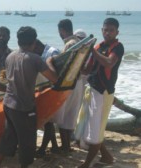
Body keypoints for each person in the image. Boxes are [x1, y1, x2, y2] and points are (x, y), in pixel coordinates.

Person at [0, 26, 58, 168]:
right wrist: (49, 62)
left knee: (8, 136)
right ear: (34, 41)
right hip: (24, 107)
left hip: (8, 104)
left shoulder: (10, 57)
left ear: (18, 41)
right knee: (27, 142)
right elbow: (54, 79)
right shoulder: (35, 59)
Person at [75, 18, 124, 168]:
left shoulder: (118, 47)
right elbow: (88, 69)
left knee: (95, 130)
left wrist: (92, 51)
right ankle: (107, 157)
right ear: (102, 30)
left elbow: (109, 62)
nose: (108, 33)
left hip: (103, 93)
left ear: (117, 32)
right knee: (87, 127)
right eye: (105, 30)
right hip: (91, 89)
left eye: (111, 30)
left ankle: (87, 164)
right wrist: (75, 61)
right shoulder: (98, 46)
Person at [54, 19, 83, 153]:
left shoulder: (69, 44)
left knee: (62, 116)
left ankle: (65, 146)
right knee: (70, 116)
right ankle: (67, 146)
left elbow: (64, 67)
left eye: (60, 32)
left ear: (62, 31)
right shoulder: (79, 42)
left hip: (69, 84)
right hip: (78, 82)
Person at [33, 39, 61, 157]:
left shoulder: (52, 52)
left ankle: (42, 149)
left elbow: (57, 73)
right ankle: (54, 145)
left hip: (51, 91)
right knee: (48, 120)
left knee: (48, 122)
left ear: (36, 46)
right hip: (44, 91)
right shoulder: (43, 53)